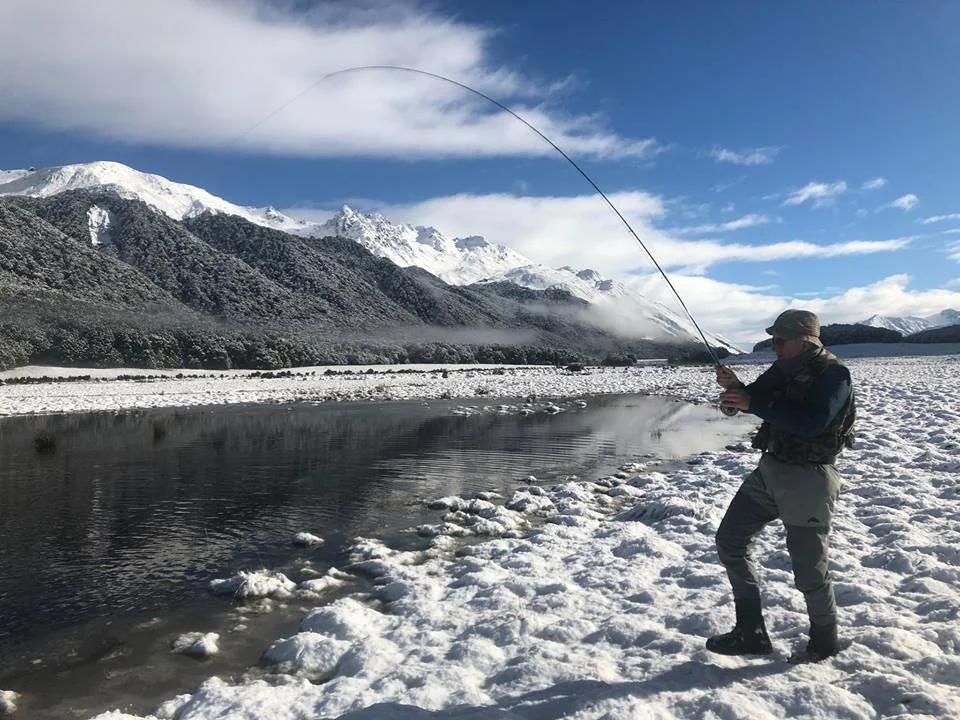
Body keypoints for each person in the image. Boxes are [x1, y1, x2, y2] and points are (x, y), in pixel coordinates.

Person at [709, 309, 856, 661]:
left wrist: (752, 401)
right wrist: (735, 392)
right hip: (770, 471)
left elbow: (812, 423)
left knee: (810, 570)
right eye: (772, 339)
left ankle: (824, 643)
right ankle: (751, 632)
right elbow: (753, 401)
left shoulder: (834, 375)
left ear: (804, 341)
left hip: (808, 480)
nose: (774, 346)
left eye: (780, 340)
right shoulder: (783, 368)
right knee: (730, 540)